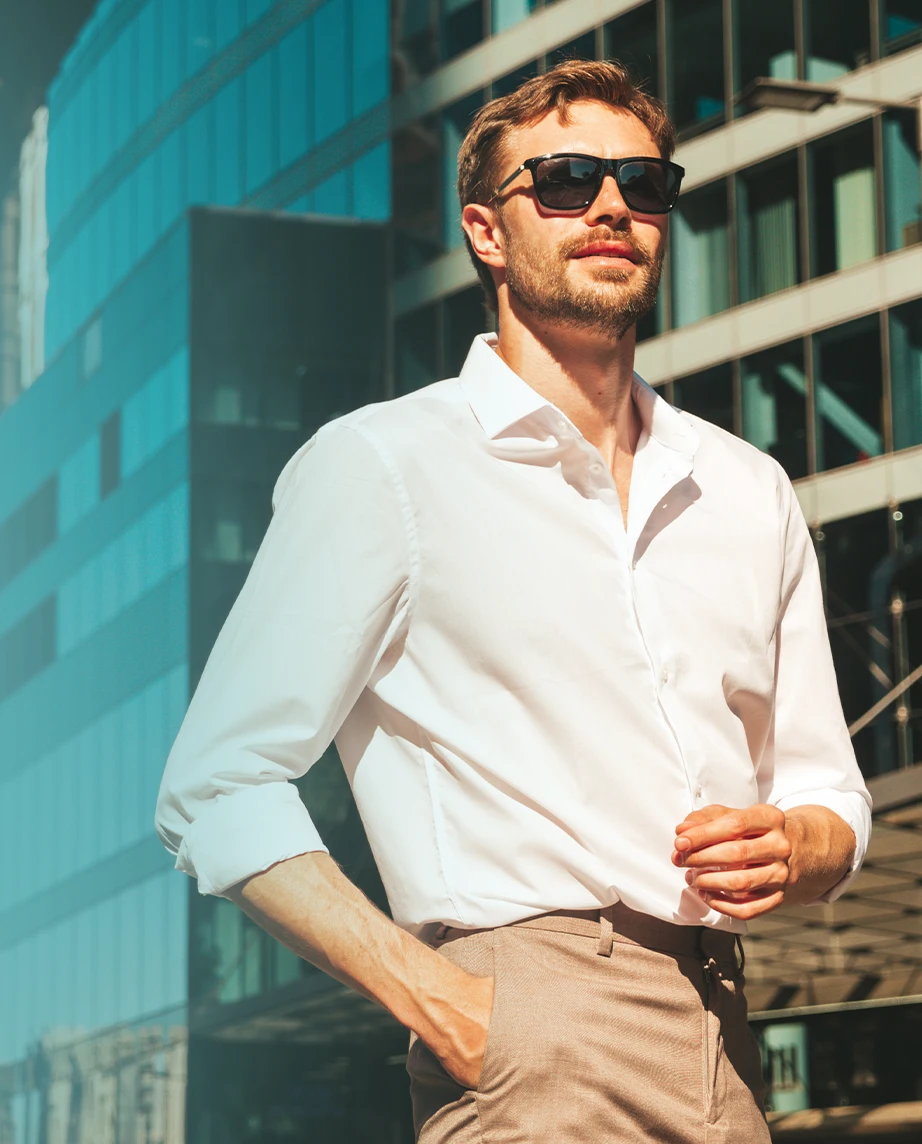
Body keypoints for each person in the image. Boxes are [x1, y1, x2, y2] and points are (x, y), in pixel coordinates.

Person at [156, 60, 871, 1142]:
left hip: (723, 1029)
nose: (610, 208)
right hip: (525, 1028)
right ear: (487, 232)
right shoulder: (385, 465)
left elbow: (830, 790)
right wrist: (448, 1003)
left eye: (642, 183)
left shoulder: (744, 487)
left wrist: (796, 844)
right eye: (568, 180)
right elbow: (213, 784)